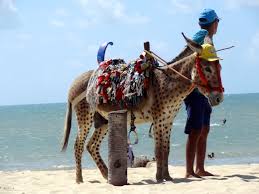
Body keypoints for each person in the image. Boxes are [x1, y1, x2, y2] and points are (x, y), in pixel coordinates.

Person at [183, 8, 220, 178]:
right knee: (195, 130)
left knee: (204, 129)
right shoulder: (202, 37)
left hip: (203, 91)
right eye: (217, 22)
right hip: (195, 90)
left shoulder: (206, 38)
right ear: (214, 23)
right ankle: (190, 171)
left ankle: (200, 168)